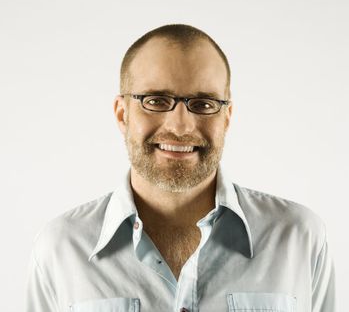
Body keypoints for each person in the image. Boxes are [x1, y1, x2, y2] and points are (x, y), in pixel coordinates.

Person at [25, 24, 335, 312]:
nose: (181, 126)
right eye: (156, 101)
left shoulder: (298, 237)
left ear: (226, 118)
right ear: (123, 114)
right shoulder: (62, 248)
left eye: (203, 104)